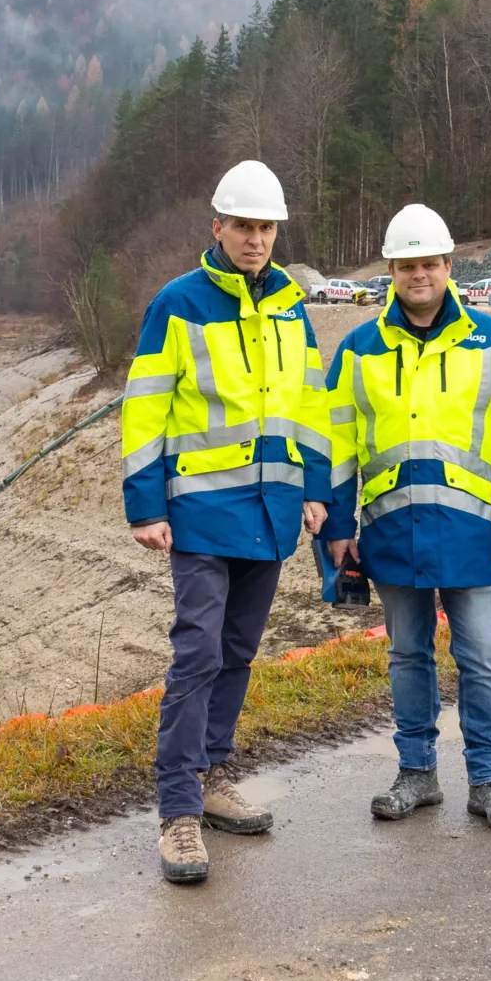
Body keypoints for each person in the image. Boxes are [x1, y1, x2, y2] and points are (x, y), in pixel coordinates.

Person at [119, 159, 331, 885]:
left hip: (272, 510)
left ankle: (212, 773)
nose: (255, 238)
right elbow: (145, 406)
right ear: (218, 227)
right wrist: (145, 503)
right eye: (243, 225)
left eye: (266, 227)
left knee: (239, 649)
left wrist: (315, 485)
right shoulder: (177, 303)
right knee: (198, 651)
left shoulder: (291, 307)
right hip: (203, 513)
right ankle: (178, 808)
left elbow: (309, 404)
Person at [318, 203, 491, 832]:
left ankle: (488, 781)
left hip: (475, 533)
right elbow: (336, 445)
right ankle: (416, 773)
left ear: (449, 266)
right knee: (408, 656)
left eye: (430, 263)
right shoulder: (359, 349)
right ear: (391, 270)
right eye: (407, 265)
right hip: (392, 532)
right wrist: (339, 527)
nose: (419, 275)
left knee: (481, 657)